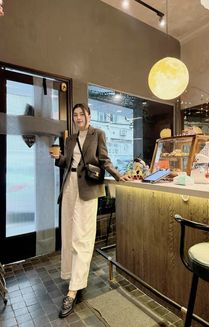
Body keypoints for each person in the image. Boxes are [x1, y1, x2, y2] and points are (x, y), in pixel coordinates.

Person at [50, 103, 130, 318]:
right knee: (68, 235)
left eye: (81, 114)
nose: (78, 118)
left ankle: (74, 289)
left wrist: (118, 175)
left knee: (82, 237)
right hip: (69, 187)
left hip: (88, 187)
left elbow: (104, 159)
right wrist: (58, 159)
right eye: (75, 115)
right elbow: (68, 162)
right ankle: (71, 275)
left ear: (88, 115)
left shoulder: (98, 134)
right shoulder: (70, 139)